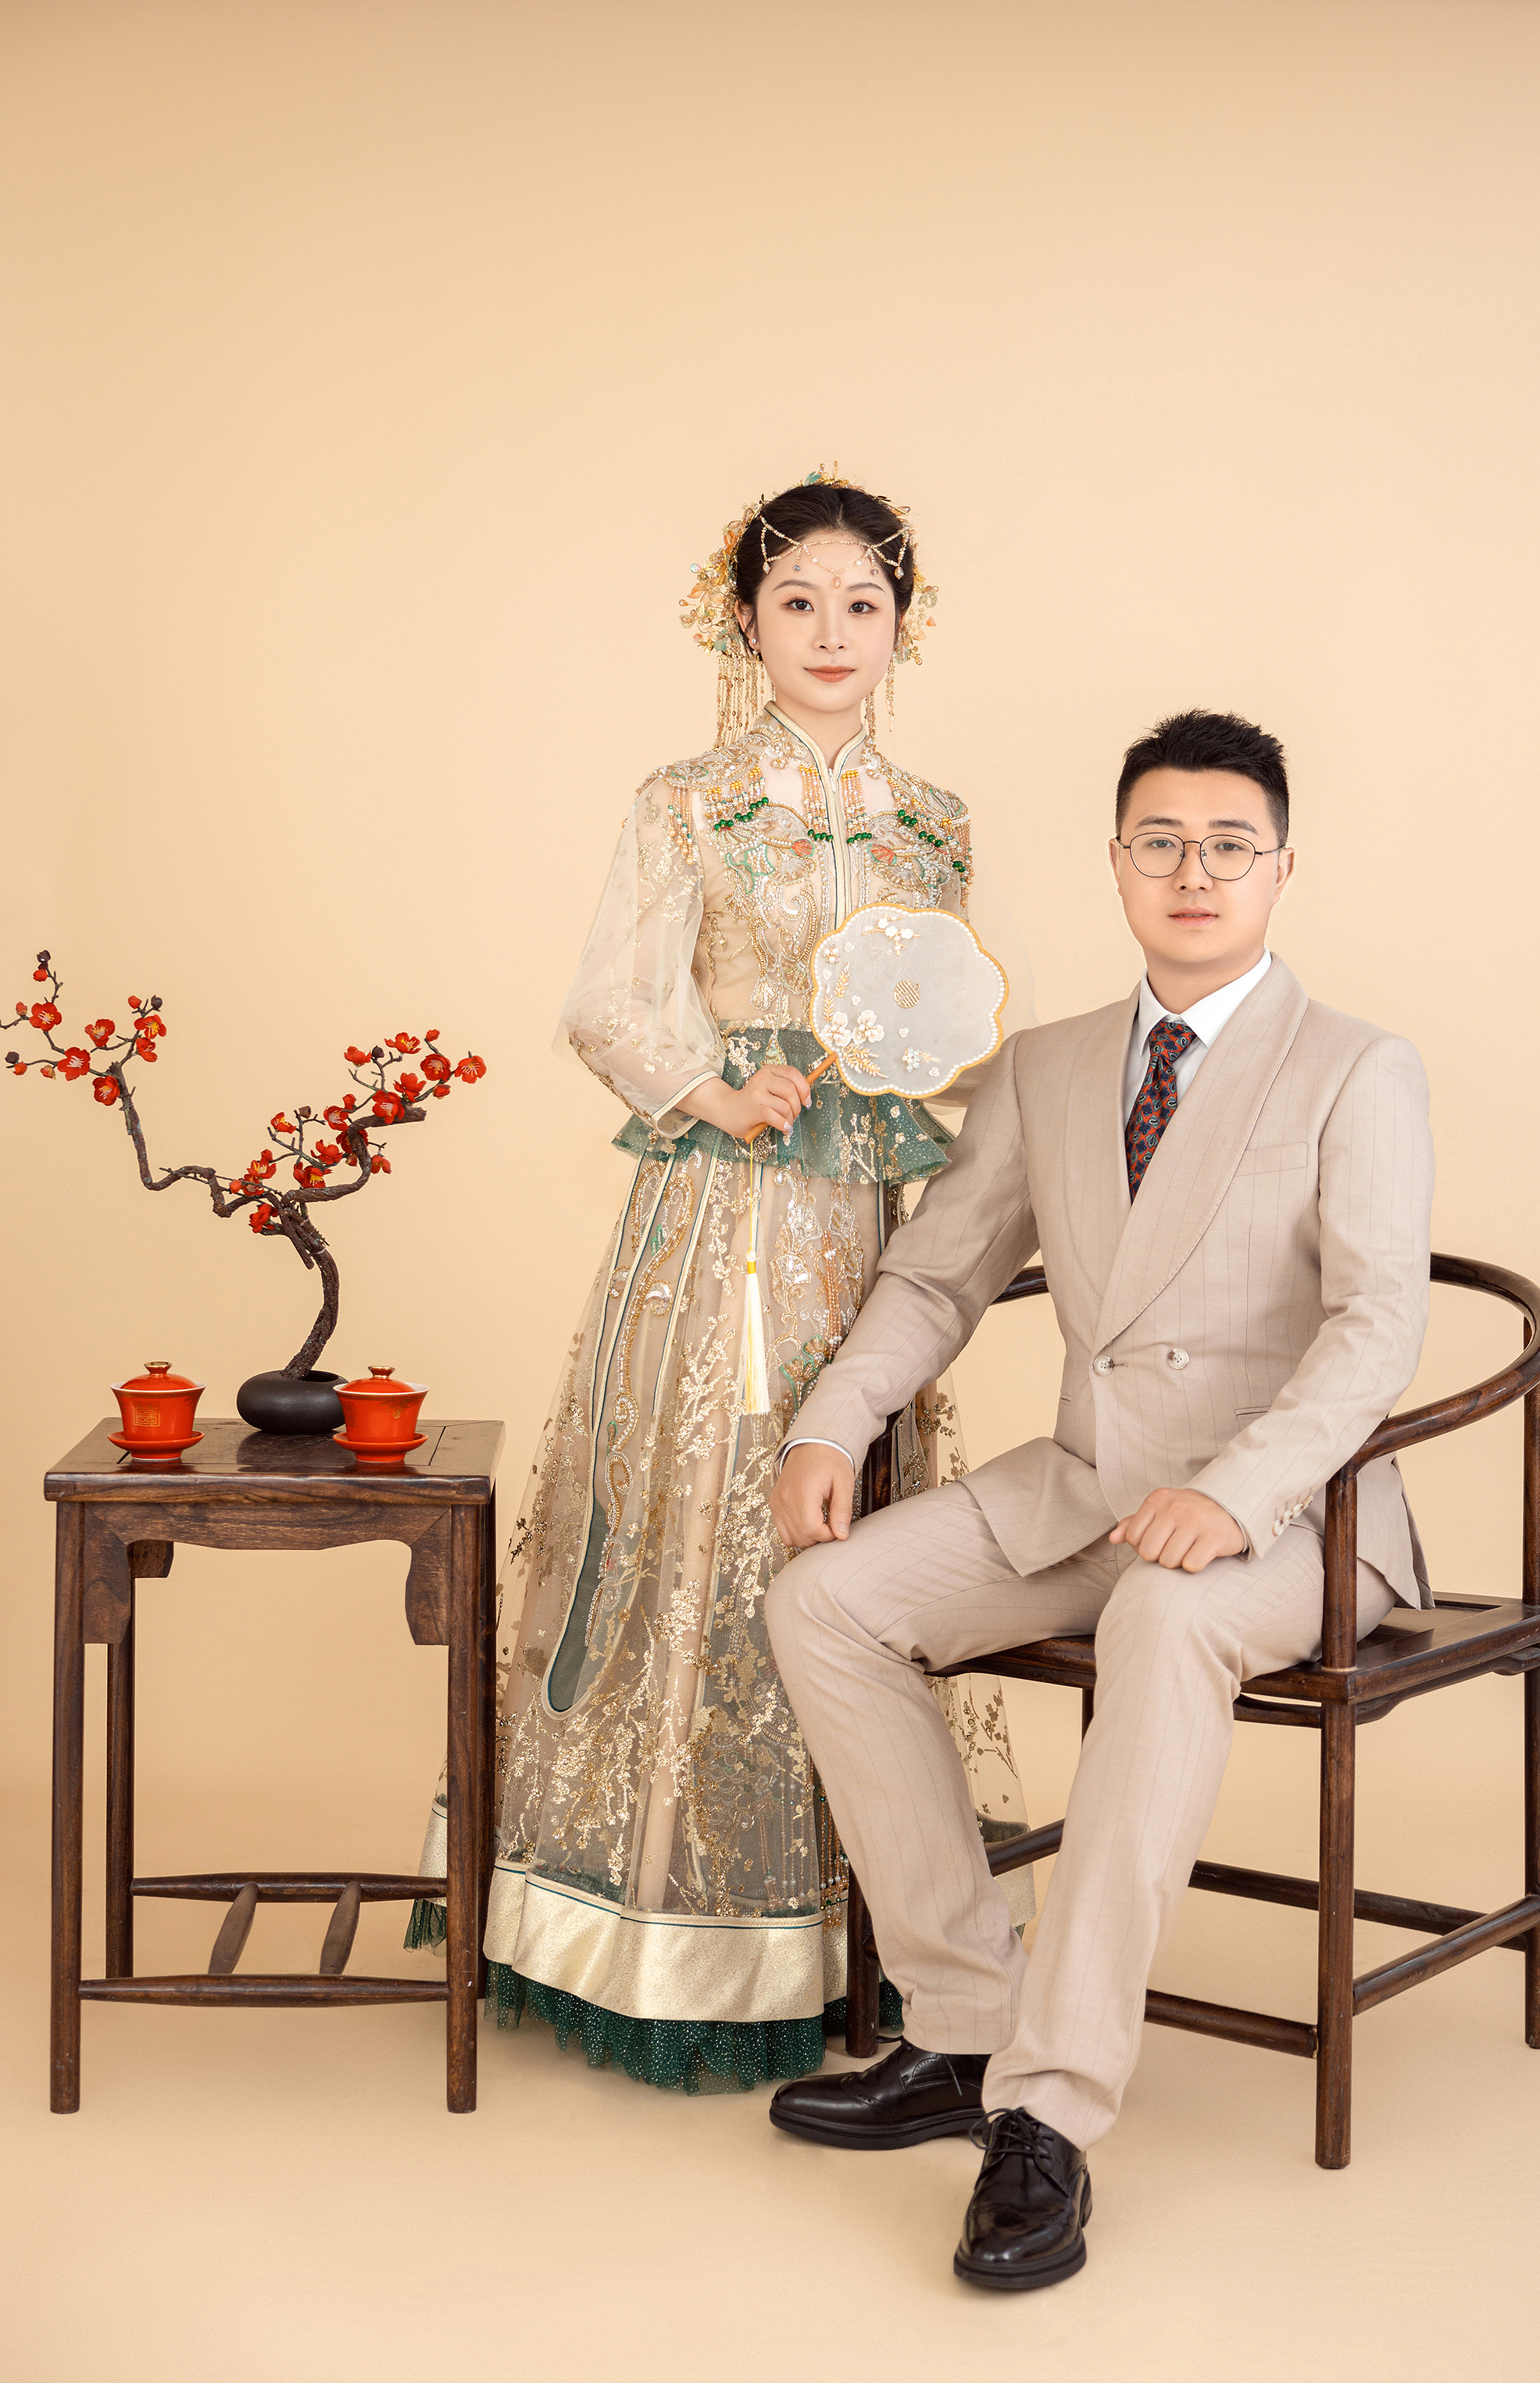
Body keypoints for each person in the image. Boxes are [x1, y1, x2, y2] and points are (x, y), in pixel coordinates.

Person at [764, 709, 1434, 2286]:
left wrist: (1239, 1491)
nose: (1193, 870)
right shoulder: (1050, 1065)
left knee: (1162, 1618)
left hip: (1297, 1518)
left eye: (1227, 844)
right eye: (1161, 841)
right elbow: (936, 1276)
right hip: (1084, 1490)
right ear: (1117, 862)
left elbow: (1374, 1326)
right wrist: (831, 1423)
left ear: (1280, 868)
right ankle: (964, 2020)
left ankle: (1047, 2112)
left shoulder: (1357, 1066)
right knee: (823, 1599)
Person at [406, 472, 1036, 2092]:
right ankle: (662, 1924)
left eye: (862, 603)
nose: (830, 631)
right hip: (715, 1224)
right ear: (741, 620)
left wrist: (931, 1077)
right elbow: (608, 997)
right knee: (702, 1511)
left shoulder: (934, 820)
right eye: (797, 600)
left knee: (861, 1517)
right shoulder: (685, 799)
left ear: (902, 628)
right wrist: (709, 1086)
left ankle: (873, 1932)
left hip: (866, 1224)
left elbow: (938, 1014)